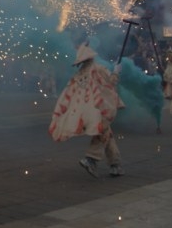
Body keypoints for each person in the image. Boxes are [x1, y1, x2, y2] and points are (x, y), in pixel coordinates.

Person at [49, 43, 125, 179]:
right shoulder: (97, 69)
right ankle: (91, 159)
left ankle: (115, 165)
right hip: (100, 109)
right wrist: (116, 71)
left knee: (107, 134)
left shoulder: (79, 75)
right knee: (103, 133)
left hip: (89, 111)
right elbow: (111, 81)